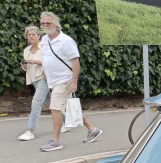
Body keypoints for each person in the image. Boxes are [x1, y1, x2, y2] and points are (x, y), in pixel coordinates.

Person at [38, 12, 101, 152]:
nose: (45, 25)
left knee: (55, 108)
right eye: (43, 23)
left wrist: (74, 82)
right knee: (67, 108)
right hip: (53, 80)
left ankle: (56, 141)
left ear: (56, 24)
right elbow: (47, 59)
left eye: (48, 23)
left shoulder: (66, 41)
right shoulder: (44, 40)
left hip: (64, 79)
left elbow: (75, 62)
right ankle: (92, 129)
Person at [17, 25, 68, 141]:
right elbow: (27, 68)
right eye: (29, 35)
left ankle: (30, 131)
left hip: (44, 79)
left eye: (33, 34)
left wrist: (35, 61)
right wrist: (25, 66)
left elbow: (50, 62)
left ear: (38, 35)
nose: (31, 36)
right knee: (51, 102)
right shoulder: (26, 50)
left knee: (36, 103)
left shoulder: (45, 47)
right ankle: (67, 121)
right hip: (34, 80)